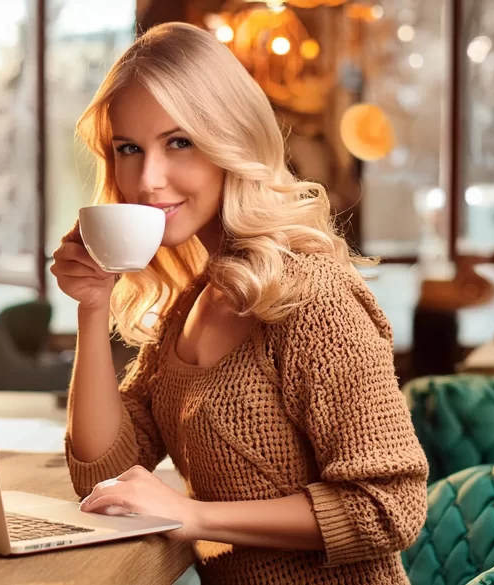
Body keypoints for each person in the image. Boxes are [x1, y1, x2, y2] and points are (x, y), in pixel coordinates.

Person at [50, 22, 429, 585]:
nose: (148, 179)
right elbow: (105, 470)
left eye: (179, 142)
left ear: (232, 142)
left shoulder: (311, 298)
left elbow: (388, 506)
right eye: (129, 149)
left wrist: (194, 515)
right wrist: (91, 306)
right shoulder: (191, 305)